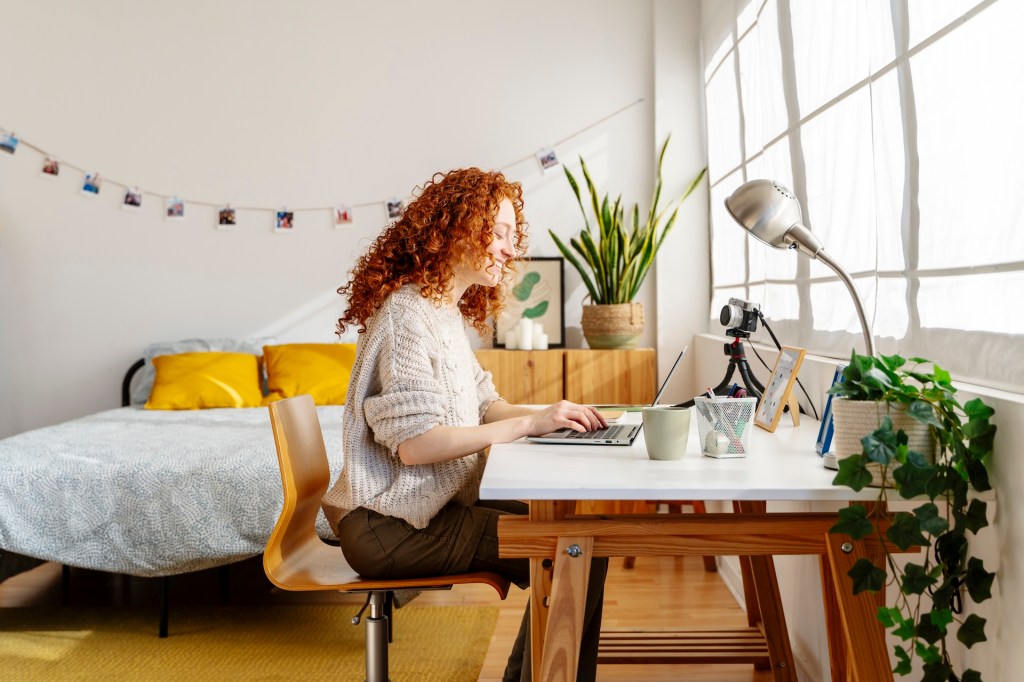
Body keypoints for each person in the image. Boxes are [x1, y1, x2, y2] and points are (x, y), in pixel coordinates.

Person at [322, 167, 609, 682]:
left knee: (584, 540)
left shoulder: (441, 312)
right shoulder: (407, 315)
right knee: (573, 552)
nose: (508, 248)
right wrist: (525, 427)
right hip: (390, 527)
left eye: (510, 234)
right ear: (455, 229)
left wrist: (553, 416)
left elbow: (484, 404)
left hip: (424, 514)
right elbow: (416, 445)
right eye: (496, 232)